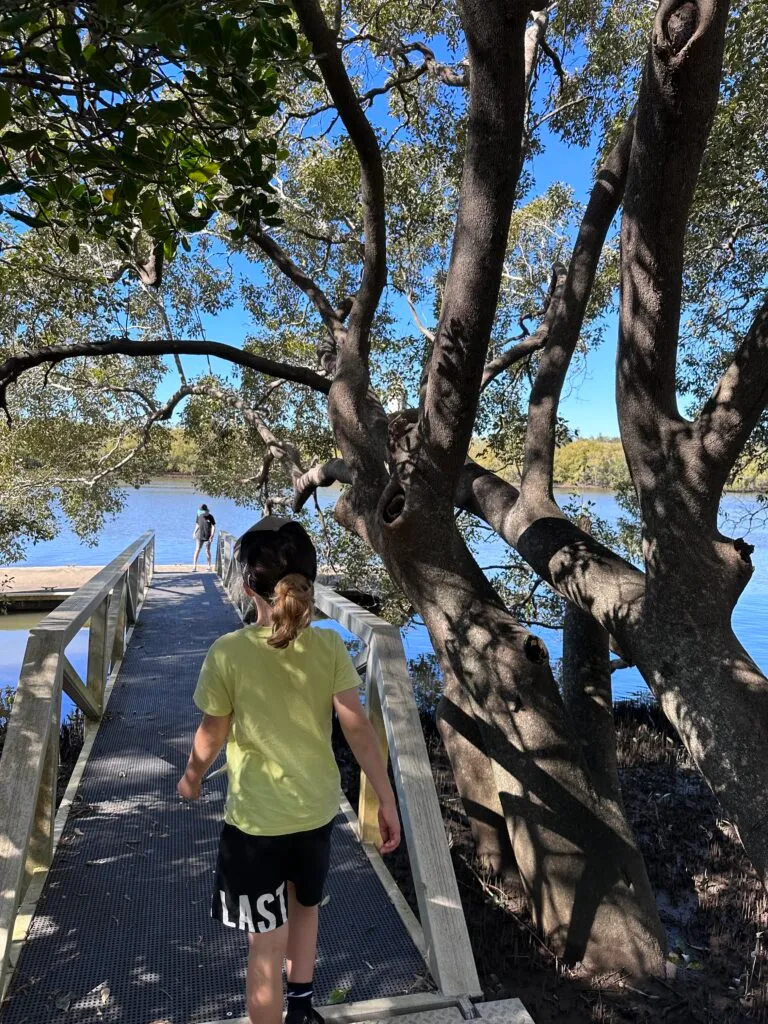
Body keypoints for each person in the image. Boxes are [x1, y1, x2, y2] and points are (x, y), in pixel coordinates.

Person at [177, 516, 400, 1024]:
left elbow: (211, 735)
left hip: (256, 824)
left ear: (248, 585)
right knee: (306, 908)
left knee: (265, 946)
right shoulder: (327, 646)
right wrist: (386, 799)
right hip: (317, 812)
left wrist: (191, 779)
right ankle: (300, 1008)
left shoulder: (228, 653)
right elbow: (359, 729)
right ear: (309, 583)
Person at [193, 503, 216, 571]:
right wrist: (194, 532)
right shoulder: (199, 515)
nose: (201, 512)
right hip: (199, 536)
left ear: (206, 510)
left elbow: (213, 527)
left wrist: (212, 536)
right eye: (200, 510)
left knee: (207, 551)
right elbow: (197, 524)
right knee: (197, 550)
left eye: (203, 510)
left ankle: (209, 566)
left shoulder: (210, 517)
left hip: (208, 537)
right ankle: (194, 566)